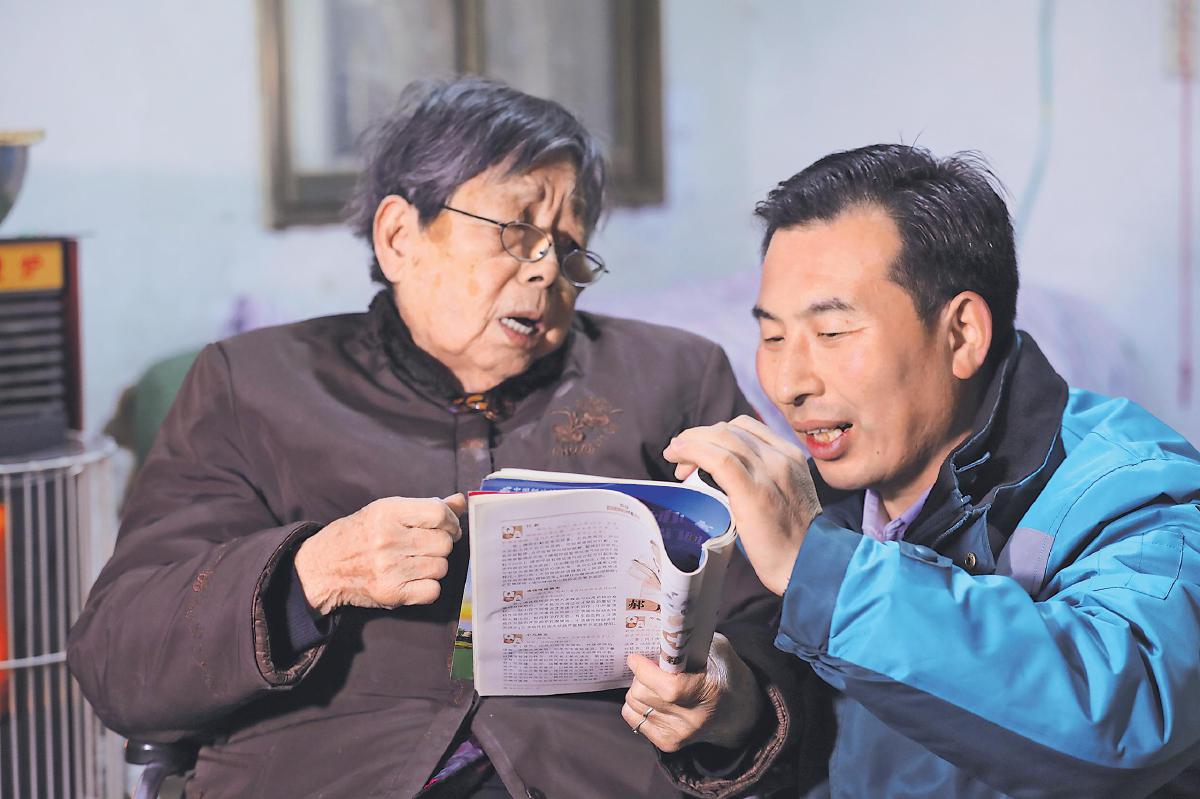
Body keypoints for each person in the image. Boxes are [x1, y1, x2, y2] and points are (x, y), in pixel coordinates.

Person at [67, 78, 798, 798]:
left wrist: (731, 703)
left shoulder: (672, 378)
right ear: (398, 237)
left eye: (570, 250)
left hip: (595, 770)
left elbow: (782, 621)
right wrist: (315, 570)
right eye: (516, 232)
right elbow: (119, 661)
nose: (547, 269)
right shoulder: (250, 385)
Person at [647, 144, 1200, 797]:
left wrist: (816, 566)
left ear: (962, 334)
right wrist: (741, 716)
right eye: (772, 337)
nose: (788, 384)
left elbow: (1125, 723)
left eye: (832, 333)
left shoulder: (1130, 487)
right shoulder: (826, 488)